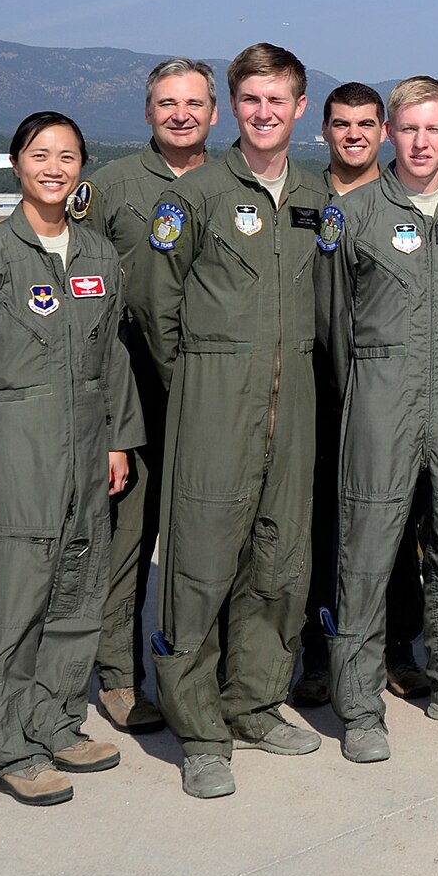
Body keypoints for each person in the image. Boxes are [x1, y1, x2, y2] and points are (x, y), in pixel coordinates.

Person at [0, 112, 141, 806]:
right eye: (39, 154)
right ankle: (7, 743)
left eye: (67, 156)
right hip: (16, 451)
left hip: (85, 446)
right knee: (16, 597)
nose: (54, 167)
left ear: (82, 168)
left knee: (76, 589)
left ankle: (55, 721)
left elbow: (114, 358)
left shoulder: (100, 256)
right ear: (16, 164)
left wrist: (117, 439)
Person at [133, 42, 332, 799]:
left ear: (298, 107)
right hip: (216, 396)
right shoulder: (197, 196)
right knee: (201, 566)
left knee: (280, 564)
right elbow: (156, 305)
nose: (263, 112)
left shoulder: (316, 196)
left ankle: (253, 702)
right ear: (231, 109)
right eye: (250, 100)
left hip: (296, 402)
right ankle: (200, 730)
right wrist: (203, 382)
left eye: (276, 99)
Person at [316, 77, 438, 761]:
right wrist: (364, 391)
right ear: (390, 133)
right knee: (366, 551)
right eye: (408, 130)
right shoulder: (353, 214)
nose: (420, 142)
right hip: (378, 394)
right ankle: (358, 707)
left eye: (433, 129)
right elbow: (330, 323)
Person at [71, 57, 217, 736]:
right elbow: (81, 304)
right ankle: (120, 678)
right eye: (167, 102)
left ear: (214, 112)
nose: (180, 113)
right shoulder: (108, 190)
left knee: (215, 545)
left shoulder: (238, 183)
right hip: (133, 399)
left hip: (215, 396)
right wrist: (103, 421)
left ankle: (205, 670)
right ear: (148, 112)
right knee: (127, 542)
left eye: (193, 102)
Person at [293, 82, 430, 708]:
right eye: (341, 124)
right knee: (322, 529)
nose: (354, 134)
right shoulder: (301, 199)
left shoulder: (401, 203)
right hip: (315, 393)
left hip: (389, 397)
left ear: (384, 132)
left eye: (366, 124)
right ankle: (321, 652)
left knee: (398, 527)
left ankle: (398, 648)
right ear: (323, 129)